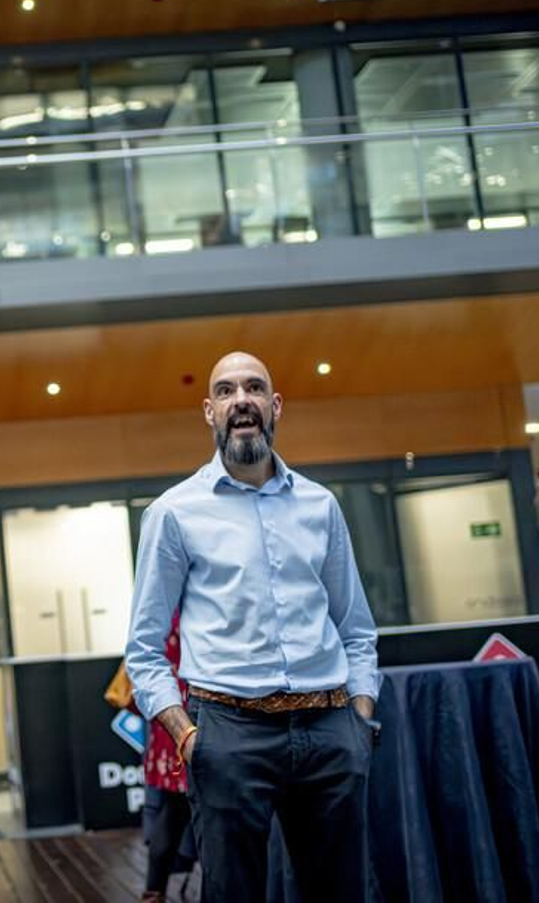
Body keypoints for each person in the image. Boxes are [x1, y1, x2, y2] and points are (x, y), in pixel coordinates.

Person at [125, 351, 381, 903]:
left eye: (254, 388)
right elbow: (144, 649)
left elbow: (356, 627)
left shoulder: (321, 505)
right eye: (225, 391)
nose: (241, 399)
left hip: (330, 729)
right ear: (209, 412)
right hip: (227, 735)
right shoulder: (174, 513)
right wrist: (189, 737)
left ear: (275, 405)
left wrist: (359, 719)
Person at [137, 612, 193, 903]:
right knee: (211, 818)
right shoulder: (199, 610)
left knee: (171, 811)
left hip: (167, 717)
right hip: (193, 717)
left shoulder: (165, 611)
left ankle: (153, 894)